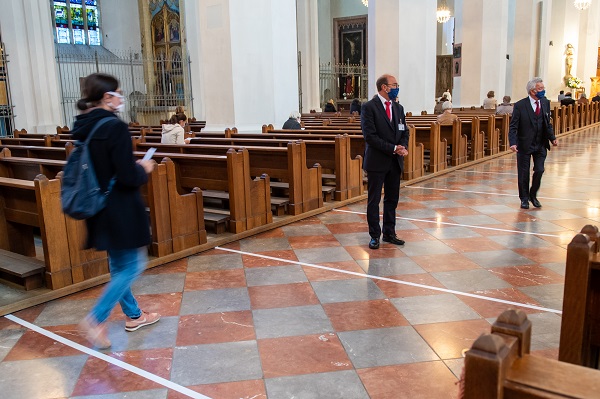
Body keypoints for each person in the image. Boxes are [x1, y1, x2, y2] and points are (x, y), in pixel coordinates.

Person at [73, 73, 160, 349]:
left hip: (98, 204)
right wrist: (143, 168)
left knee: (119, 265)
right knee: (134, 265)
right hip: (119, 206)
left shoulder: (84, 127)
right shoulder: (114, 127)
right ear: (107, 97)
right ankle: (96, 318)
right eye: (118, 93)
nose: (122, 97)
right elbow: (126, 176)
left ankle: (134, 315)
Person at [361, 74, 409, 250]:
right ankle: (374, 235)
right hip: (377, 161)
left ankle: (389, 232)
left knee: (392, 199)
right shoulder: (369, 108)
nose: (396, 87)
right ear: (384, 87)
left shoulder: (398, 107)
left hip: (394, 162)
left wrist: (402, 146)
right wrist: (392, 147)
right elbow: (370, 137)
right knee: (374, 200)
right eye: (394, 84)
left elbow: (405, 131)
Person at [508, 77, 558, 210]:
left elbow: (547, 122)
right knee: (523, 173)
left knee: (540, 170)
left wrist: (552, 138)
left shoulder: (545, 103)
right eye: (540, 89)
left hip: (540, 143)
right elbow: (513, 126)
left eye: (543, 88)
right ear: (532, 91)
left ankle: (533, 195)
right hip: (524, 144)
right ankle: (524, 198)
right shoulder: (520, 105)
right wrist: (513, 142)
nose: (543, 91)